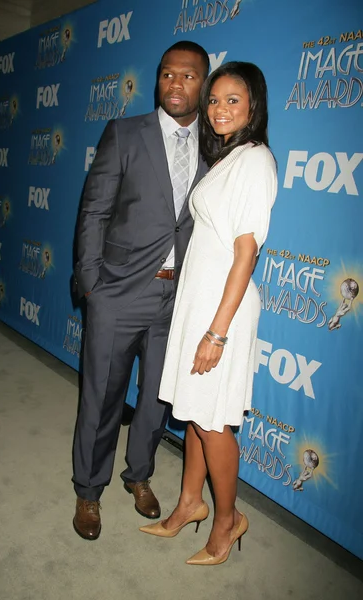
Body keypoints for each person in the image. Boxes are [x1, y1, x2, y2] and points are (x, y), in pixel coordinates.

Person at [139, 61, 277, 566]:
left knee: (214, 423)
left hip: (225, 312)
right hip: (200, 305)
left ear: (253, 106)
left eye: (232, 100)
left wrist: (216, 334)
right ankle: (190, 503)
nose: (219, 109)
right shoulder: (228, 158)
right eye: (214, 100)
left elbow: (246, 254)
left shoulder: (256, 161)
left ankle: (227, 519)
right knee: (195, 416)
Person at [72, 41, 210, 540]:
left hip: (178, 300)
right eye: (167, 74)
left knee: (156, 399)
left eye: (188, 76)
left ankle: (140, 476)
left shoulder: (215, 146)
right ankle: (88, 491)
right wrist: (92, 285)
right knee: (101, 398)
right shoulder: (125, 133)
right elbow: (94, 212)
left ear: (204, 83)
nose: (176, 84)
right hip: (119, 293)